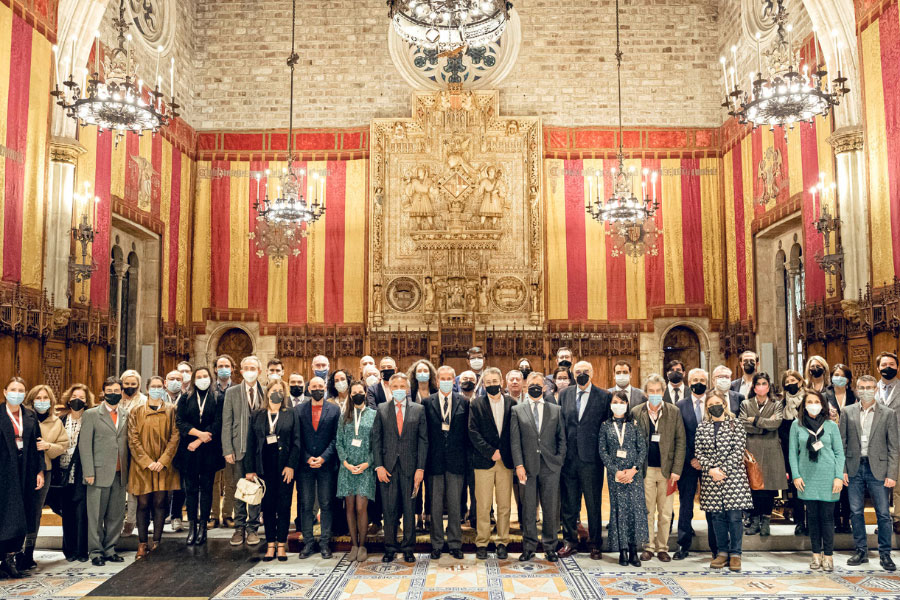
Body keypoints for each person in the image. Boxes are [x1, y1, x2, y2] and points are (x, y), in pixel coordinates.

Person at [841, 375, 898, 571]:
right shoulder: (847, 412)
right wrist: (843, 469)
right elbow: (842, 443)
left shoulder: (888, 413)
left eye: (869, 387)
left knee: (882, 514)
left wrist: (892, 473)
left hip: (879, 469)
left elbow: (893, 447)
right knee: (855, 512)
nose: (865, 390)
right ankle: (861, 551)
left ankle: (885, 554)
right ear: (856, 389)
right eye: (862, 387)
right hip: (854, 467)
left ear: (875, 389)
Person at [372, 373, 428, 563]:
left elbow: (423, 441)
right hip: (387, 468)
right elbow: (376, 439)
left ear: (407, 389)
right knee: (389, 510)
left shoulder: (418, 410)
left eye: (402, 386)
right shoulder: (381, 409)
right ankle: (390, 547)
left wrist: (420, 468)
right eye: (394, 386)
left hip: (410, 468)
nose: (398, 389)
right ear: (389, 388)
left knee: (409, 508)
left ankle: (408, 547)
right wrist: (378, 465)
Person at [511, 371, 566, 562]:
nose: (535, 387)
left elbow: (561, 439)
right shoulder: (518, 410)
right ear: (527, 386)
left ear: (544, 387)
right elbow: (515, 441)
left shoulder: (555, 410)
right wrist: (518, 464)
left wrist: (558, 461)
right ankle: (529, 547)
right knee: (528, 509)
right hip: (527, 467)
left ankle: (550, 546)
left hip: (550, 467)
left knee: (550, 508)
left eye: (538, 384)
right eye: (531, 384)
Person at [244, 380, 301, 562]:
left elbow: (297, 442)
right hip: (264, 468)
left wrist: (291, 465)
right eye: (273, 390)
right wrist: (250, 469)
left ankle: (282, 544)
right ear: (267, 393)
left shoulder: (291, 413)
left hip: (285, 468)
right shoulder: (258, 414)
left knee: (284, 506)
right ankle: (270, 544)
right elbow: (251, 443)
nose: (276, 393)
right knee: (267, 507)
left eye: (280, 391)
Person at [788, 389, 845, 572]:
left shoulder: (831, 426)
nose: (813, 404)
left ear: (823, 405)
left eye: (817, 401)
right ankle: (815, 555)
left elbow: (839, 453)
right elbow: (792, 454)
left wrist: (838, 476)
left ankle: (828, 556)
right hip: (806, 478)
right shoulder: (797, 425)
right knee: (811, 518)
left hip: (828, 477)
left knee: (827, 518)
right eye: (809, 401)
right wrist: (796, 475)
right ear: (804, 405)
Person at [558, 360, 610, 559]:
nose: (581, 374)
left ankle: (595, 543)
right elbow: (560, 425)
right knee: (569, 504)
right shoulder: (564, 394)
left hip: (592, 460)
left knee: (593, 504)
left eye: (585, 371)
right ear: (573, 374)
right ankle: (569, 542)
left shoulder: (604, 396)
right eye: (578, 371)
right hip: (569, 459)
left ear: (593, 373)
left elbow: (605, 429)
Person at [697, 391, 753, 572]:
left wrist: (723, 471)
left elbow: (738, 451)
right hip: (711, 478)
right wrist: (712, 470)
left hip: (733, 477)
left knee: (734, 517)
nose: (715, 406)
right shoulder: (702, 427)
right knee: (717, 517)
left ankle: (736, 553)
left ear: (724, 404)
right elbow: (699, 453)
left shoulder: (735, 424)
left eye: (718, 402)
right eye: (711, 404)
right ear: (707, 408)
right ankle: (722, 552)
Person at [632, 374, 685, 562]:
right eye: (651, 391)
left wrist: (677, 470)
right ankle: (648, 546)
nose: (655, 394)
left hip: (667, 470)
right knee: (646, 510)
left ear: (663, 392)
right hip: (645, 470)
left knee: (665, 512)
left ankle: (662, 547)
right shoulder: (637, 412)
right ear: (646, 393)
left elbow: (680, 441)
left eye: (658, 391)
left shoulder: (673, 411)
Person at [128, 374, 180, 559]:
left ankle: (157, 542)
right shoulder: (136, 411)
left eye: (160, 386)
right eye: (153, 386)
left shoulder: (172, 410)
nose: (156, 389)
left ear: (164, 389)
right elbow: (133, 439)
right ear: (147, 389)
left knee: (160, 502)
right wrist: (147, 462)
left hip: (163, 465)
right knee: (143, 504)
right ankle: (142, 543)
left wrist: (163, 460)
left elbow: (175, 437)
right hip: (142, 465)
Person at [79, 377, 130, 566]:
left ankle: (110, 549)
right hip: (98, 473)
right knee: (96, 516)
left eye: (117, 390)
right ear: (103, 393)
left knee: (116, 515)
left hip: (119, 472)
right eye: (109, 391)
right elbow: (85, 445)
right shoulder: (92, 414)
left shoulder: (125, 414)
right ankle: (95, 552)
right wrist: (88, 471)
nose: (113, 394)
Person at [18, 385, 68, 571]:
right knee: (18, 511)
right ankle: (13, 551)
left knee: (35, 513)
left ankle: (28, 553)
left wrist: (48, 446)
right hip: (22, 472)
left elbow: (63, 445)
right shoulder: (23, 418)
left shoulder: (56, 421)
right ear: (31, 399)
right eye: (38, 397)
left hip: (44, 471)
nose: (41, 401)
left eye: (45, 398)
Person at [597, 391, 648, 566]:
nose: (618, 404)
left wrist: (633, 470)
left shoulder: (634, 424)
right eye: (615, 402)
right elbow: (602, 451)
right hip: (615, 476)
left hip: (634, 475)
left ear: (627, 405)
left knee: (634, 511)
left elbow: (642, 448)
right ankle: (622, 550)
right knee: (619, 511)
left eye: (621, 402)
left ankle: (634, 549)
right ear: (611, 405)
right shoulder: (605, 425)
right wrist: (615, 471)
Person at [467, 367, 513, 560]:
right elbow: (473, 432)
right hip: (484, 461)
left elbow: (514, 432)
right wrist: (490, 452)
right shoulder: (476, 404)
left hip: (506, 461)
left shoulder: (512, 403)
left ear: (501, 381)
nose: (492, 385)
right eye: (488, 382)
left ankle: (502, 541)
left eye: (495, 381)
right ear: (483, 385)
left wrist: (503, 452)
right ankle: (482, 542)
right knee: (483, 505)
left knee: (504, 505)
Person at [424, 366, 469, 560]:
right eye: (442, 378)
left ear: (454, 381)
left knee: (454, 504)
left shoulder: (464, 402)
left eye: (449, 378)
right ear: (437, 381)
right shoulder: (427, 403)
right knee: (434, 505)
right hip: (434, 461)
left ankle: (455, 543)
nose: (445, 380)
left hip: (456, 460)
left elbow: (467, 432)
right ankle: (436, 543)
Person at [175, 367, 223, 547]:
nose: (202, 379)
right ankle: (192, 527)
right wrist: (197, 435)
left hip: (208, 450)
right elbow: (180, 421)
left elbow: (218, 423)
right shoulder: (185, 397)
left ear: (210, 379)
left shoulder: (218, 397)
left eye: (205, 376)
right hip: (189, 450)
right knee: (191, 490)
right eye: (199, 377)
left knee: (207, 489)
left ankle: (203, 527)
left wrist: (201, 440)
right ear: (194, 380)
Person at [0, 378, 43, 579]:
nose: (16, 393)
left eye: (21, 390)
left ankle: (10, 559)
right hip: (3, 472)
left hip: (25, 470)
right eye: (13, 389)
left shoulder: (30, 416)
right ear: (5, 391)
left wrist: (40, 472)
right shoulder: (1, 415)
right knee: (4, 515)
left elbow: (37, 448)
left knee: (20, 515)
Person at [221, 355, 266, 546]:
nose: (249, 371)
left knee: (255, 490)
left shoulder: (265, 392)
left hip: (259, 451)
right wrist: (227, 449)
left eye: (253, 368)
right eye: (246, 367)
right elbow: (227, 423)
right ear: (240, 371)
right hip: (238, 449)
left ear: (259, 371)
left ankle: (253, 528)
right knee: (240, 490)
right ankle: (239, 527)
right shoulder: (232, 393)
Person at [674, 367, 717, 560]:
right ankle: (683, 544)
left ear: (707, 382)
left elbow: (719, 433)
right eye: (695, 379)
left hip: (711, 463)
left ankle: (716, 546)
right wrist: (692, 458)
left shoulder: (714, 403)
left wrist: (705, 460)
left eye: (702, 379)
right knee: (685, 504)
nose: (698, 382)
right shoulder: (680, 405)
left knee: (711, 505)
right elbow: (679, 436)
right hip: (687, 462)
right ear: (688, 382)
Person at [297, 376, 340, 559]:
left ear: (325, 388)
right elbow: (296, 437)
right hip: (305, 465)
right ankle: (308, 542)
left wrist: (323, 458)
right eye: (314, 386)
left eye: (320, 386)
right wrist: (307, 458)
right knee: (306, 504)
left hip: (326, 464)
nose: (317, 389)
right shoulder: (298, 410)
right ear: (308, 389)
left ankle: (324, 543)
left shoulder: (334, 409)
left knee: (326, 504)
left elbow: (336, 438)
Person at [739, 372, 785, 537]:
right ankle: (755, 520)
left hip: (772, 449)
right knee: (754, 487)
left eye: (764, 383)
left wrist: (755, 420)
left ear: (769, 385)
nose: (761, 387)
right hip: (752, 449)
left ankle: (766, 520)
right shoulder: (746, 403)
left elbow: (776, 423)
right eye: (758, 384)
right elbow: (743, 424)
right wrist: (764, 424)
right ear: (754, 387)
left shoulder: (776, 404)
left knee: (769, 488)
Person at [336, 381, 376, 562]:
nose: (357, 395)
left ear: (366, 393)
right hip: (347, 468)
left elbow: (378, 444)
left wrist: (368, 463)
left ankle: (363, 545)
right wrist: (345, 462)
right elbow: (339, 442)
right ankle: (353, 544)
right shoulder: (344, 416)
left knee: (361, 507)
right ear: (350, 395)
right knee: (350, 507)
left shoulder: (374, 415)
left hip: (365, 468)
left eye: (361, 392)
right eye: (354, 392)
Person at [58, 384, 93, 563]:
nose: (77, 400)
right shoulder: (61, 419)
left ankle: (82, 550)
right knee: (68, 512)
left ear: (87, 401)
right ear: (68, 399)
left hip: (81, 471)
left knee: (82, 512)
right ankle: (69, 550)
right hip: (63, 473)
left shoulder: (90, 419)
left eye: (81, 397)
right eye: (74, 396)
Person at [824, 363, 855, 533]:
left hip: (850, 443)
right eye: (836, 374)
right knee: (833, 482)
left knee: (847, 483)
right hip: (830, 443)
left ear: (848, 379)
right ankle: (835, 519)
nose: (839, 377)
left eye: (842, 375)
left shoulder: (854, 395)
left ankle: (847, 520)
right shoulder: (825, 395)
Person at [875, 352, 900, 534]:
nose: (887, 368)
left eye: (891, 364)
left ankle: (898, 518)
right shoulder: (871, 389)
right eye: (884, 365)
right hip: (879, 443)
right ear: (878, 368)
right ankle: (883, 521)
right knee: (881, 484)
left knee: (898, 483)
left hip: (899, 440)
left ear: (897, 367)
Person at [211, 354, 236, 530]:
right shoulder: (210, 389)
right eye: (220, 366)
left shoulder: (237, 389)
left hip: (231, 440)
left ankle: (228, 514)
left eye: (226, 365)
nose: (223, 368)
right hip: (212, 440)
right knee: (213, 481)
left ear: (232, 369)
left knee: (230, 481)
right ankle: (213, 515)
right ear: (215, 369)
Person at [780, 370, 807, 535]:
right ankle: (799, 521)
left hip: (809, 448)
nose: (791, 383)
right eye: (787, 381)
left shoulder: (809, 399)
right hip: (791, 451)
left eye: (793, 380)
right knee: (796, 487)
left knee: (810, 485)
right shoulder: (782, 404)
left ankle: (811, 521)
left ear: (800, 381)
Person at [120, 369, 145, 537]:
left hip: (136, 446)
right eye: (127, 384)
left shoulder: (143, 400)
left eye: (133, 384)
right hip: (118, 447)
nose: (130, 387)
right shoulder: (117, 399)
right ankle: (117, 520)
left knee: (133, 487)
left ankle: (131, 521)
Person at [163, 369, 187, 532]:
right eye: (172, 378)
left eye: (178, 379)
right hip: (161, 445)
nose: (175, 382)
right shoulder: (157, 398)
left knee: (180, 484)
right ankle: (160, 515)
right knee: (161, 483)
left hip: (182, 445)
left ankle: (176, 515)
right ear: (165, 382)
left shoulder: (187, 398)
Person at [458, 368, 480, 528]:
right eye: (465, 379)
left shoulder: (481, 400)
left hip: (476, 451)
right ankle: (460, 514)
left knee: (475, 487)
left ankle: (474, 516)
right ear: (459, 383)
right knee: (459, 486)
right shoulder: (454, 400)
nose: (468, 382)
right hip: (458, 450)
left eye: (471, 379)